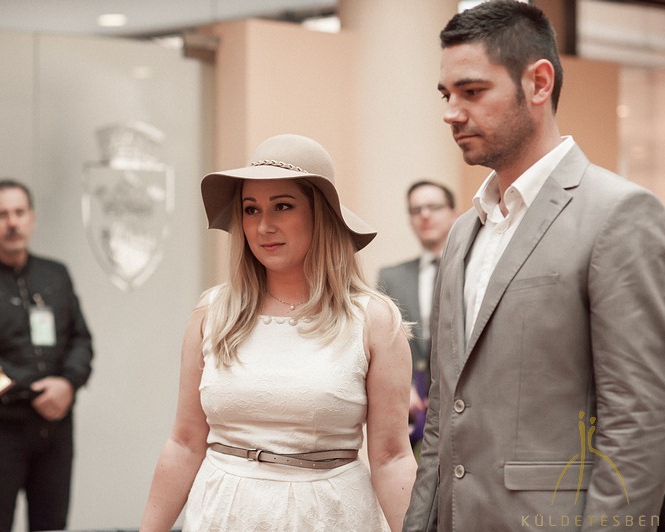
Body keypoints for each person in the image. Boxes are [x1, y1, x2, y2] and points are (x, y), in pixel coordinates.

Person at [405, 1, 665, 530]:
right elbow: (442, 418)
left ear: (539, 83)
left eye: (472, 91)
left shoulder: (618, 214)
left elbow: (640, 420)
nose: (452, 112)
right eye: (446, 95)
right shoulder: (462, 233)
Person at [140, 134, 417, 531]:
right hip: (222, 514)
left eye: (282, 206)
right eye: (250, 209)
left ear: (321, 214)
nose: (263, 226)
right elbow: (184, 443)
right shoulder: (213, 314)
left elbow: (391, 458)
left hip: (329, 516)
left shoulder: (372, 320)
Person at [0, 179, 93, 532]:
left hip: (56, 430)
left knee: (52, 526)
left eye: (19, 212)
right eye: (2, 215)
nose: (12, 223)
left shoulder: (55, 274)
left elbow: (81, 339)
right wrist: (38, 389)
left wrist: (67, 383)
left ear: (32, 218)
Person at [377, 180, 456, 451]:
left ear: (453, 213)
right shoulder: (391, 278)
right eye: (416, 210)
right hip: (412, 419)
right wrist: (402, 388)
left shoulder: (474, 271)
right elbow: (381, 345)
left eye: (434, 207)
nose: (425, 215)